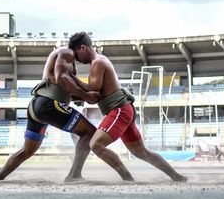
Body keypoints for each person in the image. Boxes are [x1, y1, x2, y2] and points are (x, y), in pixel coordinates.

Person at [68, 32, 187, 182]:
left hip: (119, 110)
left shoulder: (98, 62)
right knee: (141, 152)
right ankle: (177, 177)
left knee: (96, 144)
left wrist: (71, 78)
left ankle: (128, 178)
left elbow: (93, 89)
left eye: (77, 55)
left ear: (83, 48)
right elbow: (93, 94)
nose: (77, 60)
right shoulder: (98, 62)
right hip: (123, 109)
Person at [0, 46, 101, 182]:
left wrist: (83, 96)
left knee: (27, 151)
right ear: (81, 47)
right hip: (48, 104)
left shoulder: (63, 60)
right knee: (89, 132)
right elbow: (61, 79)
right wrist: (85, 93)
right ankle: (74, 174)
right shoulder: (66, 53)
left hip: (38, 105)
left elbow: (62, 88)